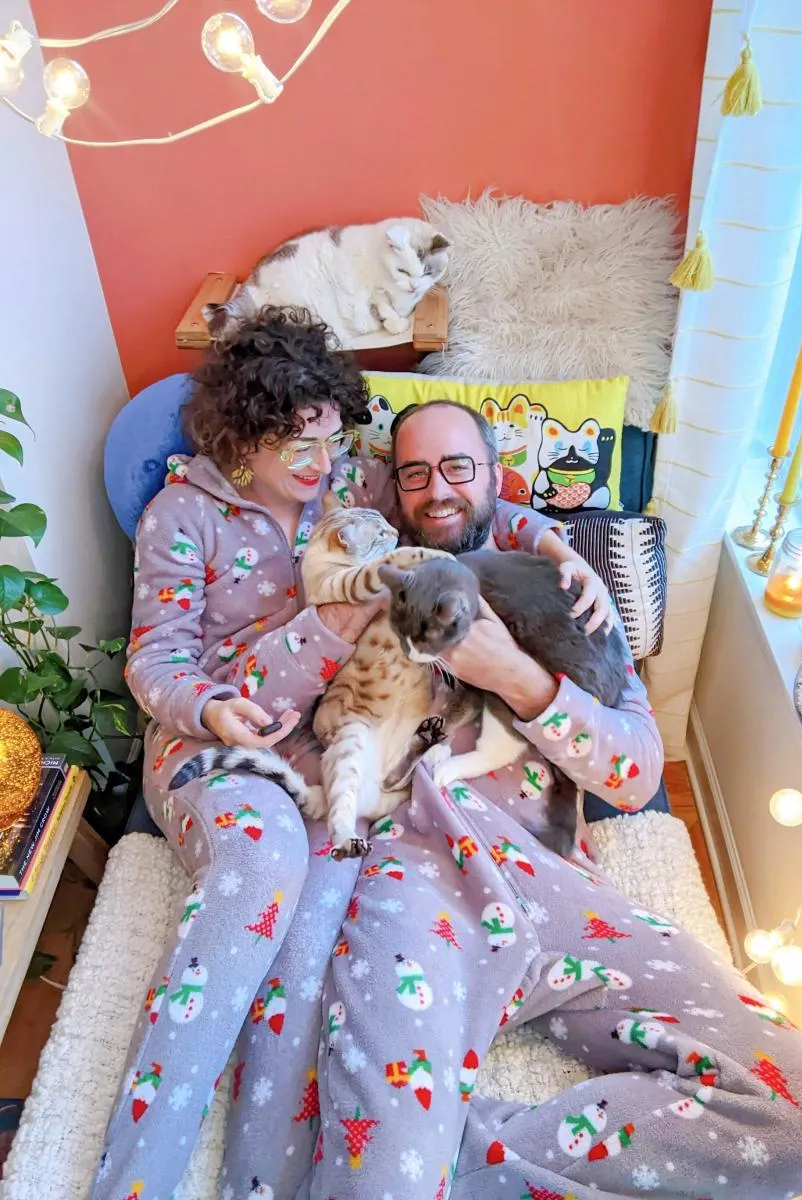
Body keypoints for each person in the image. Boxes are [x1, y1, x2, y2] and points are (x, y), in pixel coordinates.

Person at [90, 308, 606, 1200]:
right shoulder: (183, 515)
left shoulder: (351, 491)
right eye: (294, 442)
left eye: (330, 437)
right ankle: (134, 1180)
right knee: (260, 878)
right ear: (240, 435)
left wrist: (563, 546)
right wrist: (212, 710)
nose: (319, 462)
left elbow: (465, 506)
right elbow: (153, 660)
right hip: (215, 743)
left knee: (315, 933)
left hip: (328, 737)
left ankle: (265, 1183)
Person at [308, 403, 802, 1199]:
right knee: (378, 1175)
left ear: (501, 477)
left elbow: (632, 778)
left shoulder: (573, 595)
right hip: (418, 867)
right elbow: (314, 489)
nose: (437, 491)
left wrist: (518, 676)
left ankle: (451, 1157)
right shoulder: (371, 581)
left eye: (460, 467)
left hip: (560, 889)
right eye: (415, 473)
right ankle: (417, 1152)